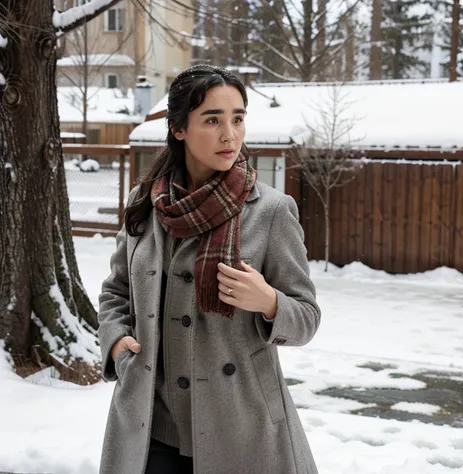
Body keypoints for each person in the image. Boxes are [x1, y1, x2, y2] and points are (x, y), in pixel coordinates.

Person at [97, 64, 321, 474]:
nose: (229, 134)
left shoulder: (271, 212)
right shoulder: (146, 203)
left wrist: (269, 301)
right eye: (212, 120)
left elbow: (307, 317)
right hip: (150, 427)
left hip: (239, 427)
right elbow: (116, 291)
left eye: (238, 118)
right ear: (179, 128)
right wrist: (115, 342)